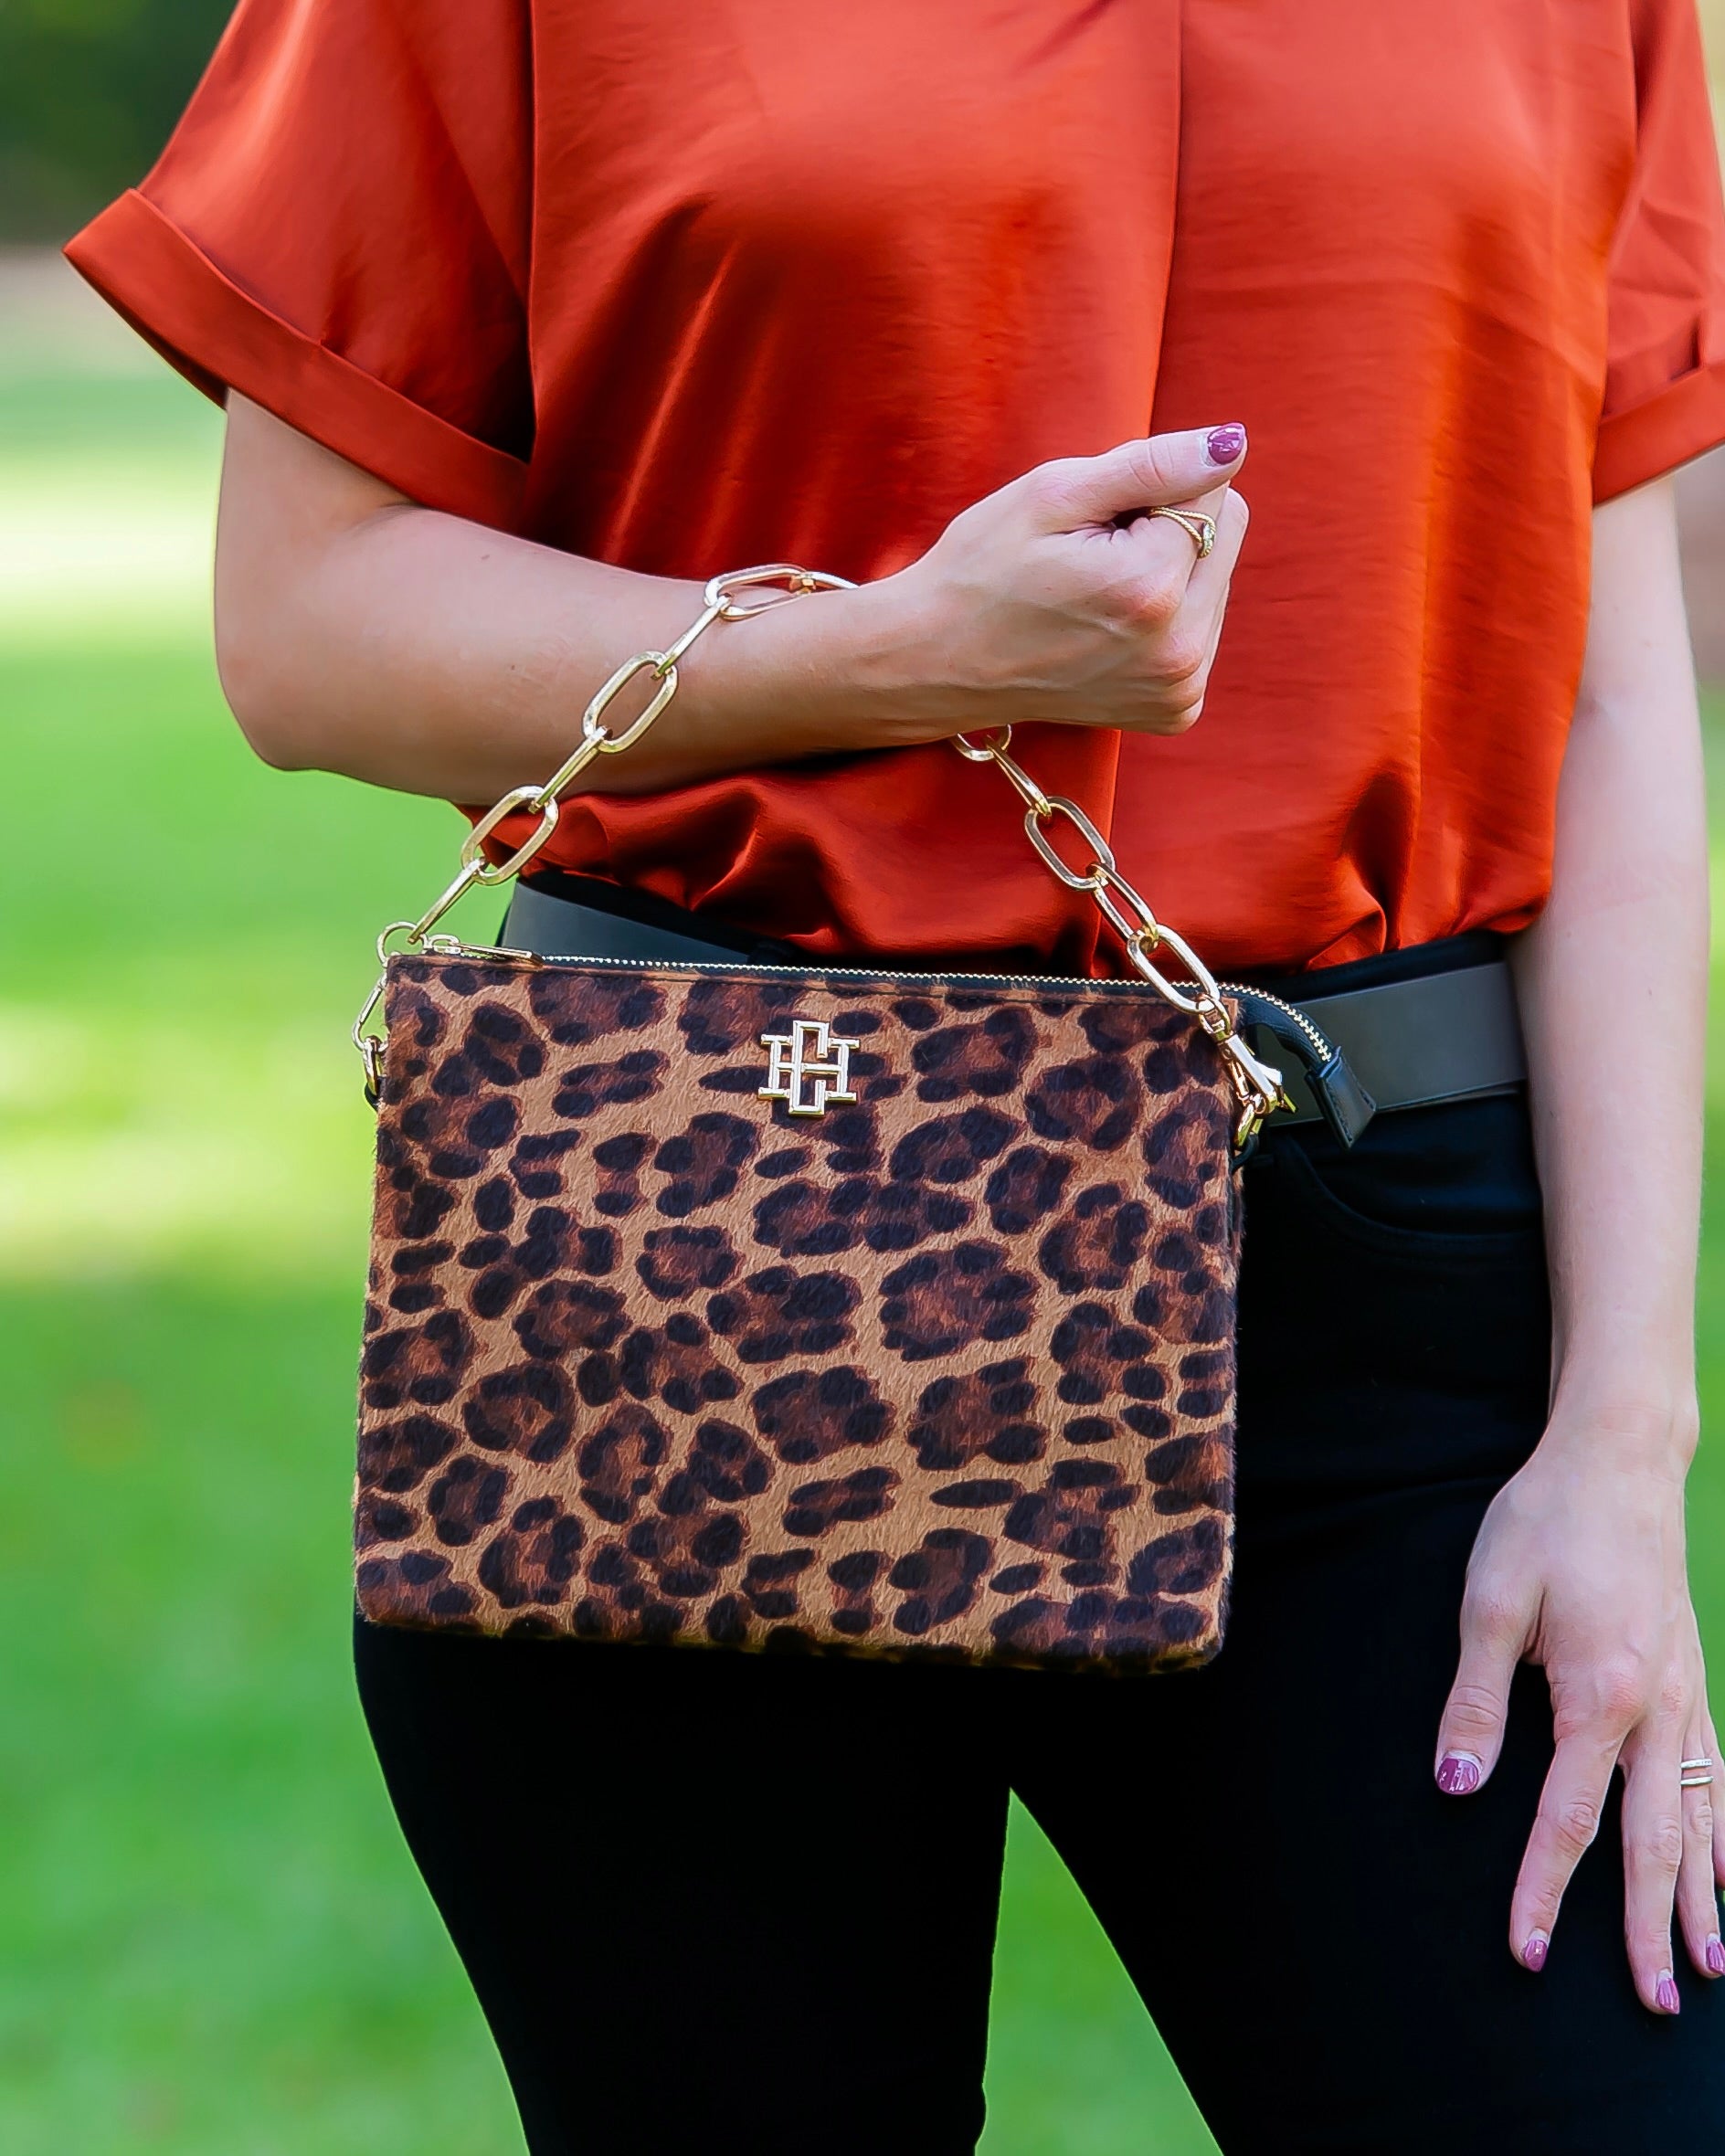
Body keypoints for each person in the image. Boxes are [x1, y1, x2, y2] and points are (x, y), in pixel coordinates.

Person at [67, 1, 1725, 2148]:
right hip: (705, 1260)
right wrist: (893, 654)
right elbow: (303, 623)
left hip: (1386, 1351)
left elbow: (1609, 695)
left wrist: (1620, 1437)